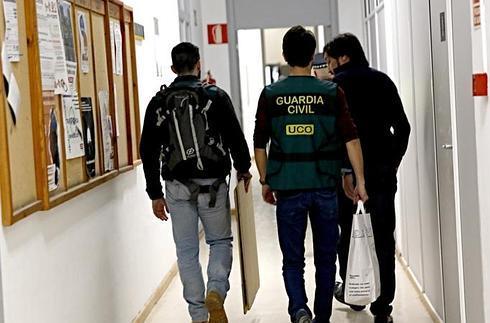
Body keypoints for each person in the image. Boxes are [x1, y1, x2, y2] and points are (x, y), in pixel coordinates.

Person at [254, 26, 369, 323]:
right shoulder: (331, 92)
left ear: (285, 55)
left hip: (288, 187)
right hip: (323, 187)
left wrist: (266, 180)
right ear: (312, 55)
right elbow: (351, 139)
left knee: (293, 260)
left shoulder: (271, 94)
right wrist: (360, 180)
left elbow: (259, 144)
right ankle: (322, 317)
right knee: (326, 259)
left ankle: (299, 310)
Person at [140, 42, 252, 323]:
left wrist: (154, 193)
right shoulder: (215, 96)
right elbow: (235, 137)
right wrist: (244, 169)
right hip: (213, 183)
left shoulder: (158, 102)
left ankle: (198, 315)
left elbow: (148, 150)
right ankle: (215, 290)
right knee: (219, 241)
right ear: (198, 64)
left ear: (173, 68)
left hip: (177, 187)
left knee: (187, 251)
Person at [323, 33, 411, 323]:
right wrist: (392, 163)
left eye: (330, 60)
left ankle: (355, 293)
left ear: (343, 57)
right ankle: (383, 307)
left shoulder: (335, 88)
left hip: (347, 178)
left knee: (350, 234)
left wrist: (343, 171)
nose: (329, 66)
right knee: (384, 238)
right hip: (382, 174)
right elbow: (403, 128)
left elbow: (332, 138)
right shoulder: (382, 81)